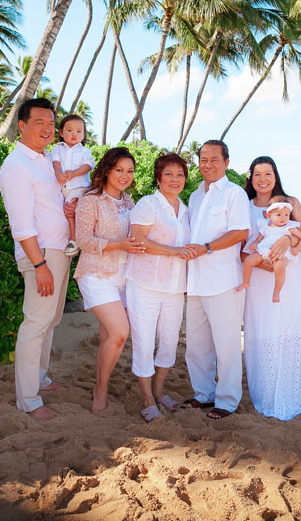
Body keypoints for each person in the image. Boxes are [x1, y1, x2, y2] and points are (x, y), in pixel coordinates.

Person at [0, 98, 75, 421]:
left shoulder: (44, 160)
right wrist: (40, 265)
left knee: (51, 320)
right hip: (41, 257)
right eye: (39, 122)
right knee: (35, 324)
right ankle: (28, 400)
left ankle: (40, 378)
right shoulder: (17, 166)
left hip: (59, 253)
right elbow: (22, 226)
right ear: (22, 125)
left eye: (50, 123)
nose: (47, 128)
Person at [241, 156, 301, 421]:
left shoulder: (291, 203)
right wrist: (265, 266)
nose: (263, 179)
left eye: (268, 173)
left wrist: (286, 238)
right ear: (250, 177)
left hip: (293, 279)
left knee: (288, 335)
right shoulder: (244, 205)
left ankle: (288, 396)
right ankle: (264, 396)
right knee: (262, 334)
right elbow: (242, 249)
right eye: (257, 174)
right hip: (260, 279)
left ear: (276, 176)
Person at [182, 140, 251, 420]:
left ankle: (227, 400)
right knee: (196, 345)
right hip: (195, 281)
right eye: (203, 159)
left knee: (227, 344)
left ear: (226, 163)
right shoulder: (195, 195)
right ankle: (203, 394)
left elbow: (240, 232)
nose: (207, 164)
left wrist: (207, 247)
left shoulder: (234, 194)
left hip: (224, 281)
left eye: (214, 159)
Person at [74, 147, 144, 413]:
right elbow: (84, 241)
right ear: (106, 170)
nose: (125, 176)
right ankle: (100, 390)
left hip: (124, 277)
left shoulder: (130, 203)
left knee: (108, 335)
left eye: (129, 171)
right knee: (119, 332)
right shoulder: (90, 200)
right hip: (96, 274)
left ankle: (101, 383)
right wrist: (118, 246)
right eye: (119, 170)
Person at [124, 152, 191, 422]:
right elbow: (137, 239)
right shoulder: (148, 204)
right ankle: (147, 398)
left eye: (180, 175)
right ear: (158, 177)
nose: (175, 180)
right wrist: (173, 251)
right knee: (144, 340)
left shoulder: (185, 209)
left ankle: (160, 390)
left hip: (175, 287)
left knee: (169, 342)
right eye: (169, 174)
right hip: (145, 284)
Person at [237, 194, 301, 303]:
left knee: (279, 266)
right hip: (263, 250)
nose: (283, 218)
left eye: (286, 215)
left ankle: (277, 291)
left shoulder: (289, 227)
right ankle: (246, 281)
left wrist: (297, 249)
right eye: (279, 215)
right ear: (269, 216)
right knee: (249, 260)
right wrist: (254, 244)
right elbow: (259, 239)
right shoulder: (265, 226)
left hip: (281, 254)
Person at [50, 113, 95, 257]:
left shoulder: (84, 151)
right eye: (69, 130)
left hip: (78, 187)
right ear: (61, 133)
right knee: (63, 211)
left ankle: (74, 240)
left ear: (83, 135)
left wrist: (74, 173)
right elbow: (55, 161)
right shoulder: (58, 148)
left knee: (71, 209)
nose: (74, 134)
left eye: (78, 131)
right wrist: (58, 173)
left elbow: (89, 165)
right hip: (63, 188)